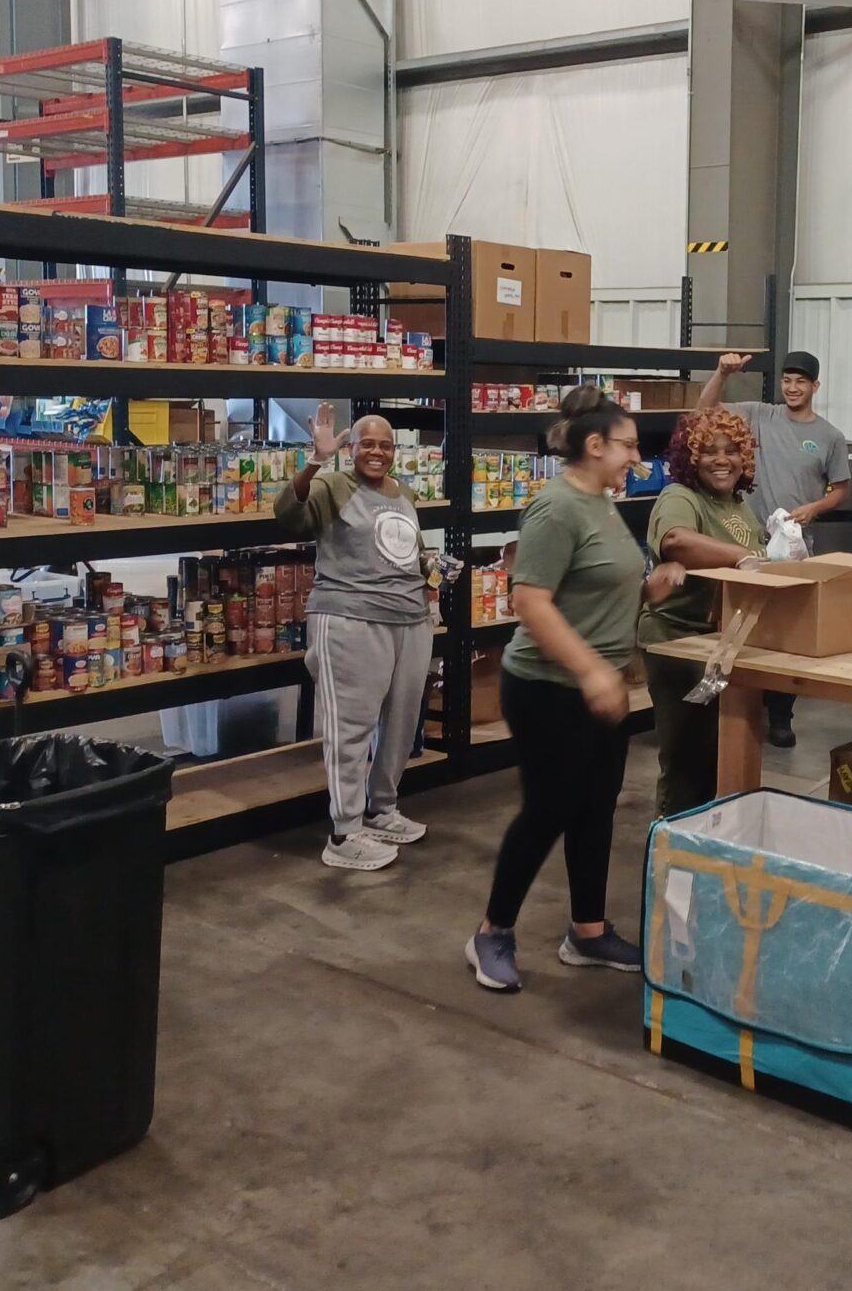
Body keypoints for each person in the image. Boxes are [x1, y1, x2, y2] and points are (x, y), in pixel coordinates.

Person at [467, 387, 686, 994]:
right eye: (629, 446)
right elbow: (529, 601)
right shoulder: (556, 506)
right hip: (548, 687)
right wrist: (591, 671)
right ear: (595, 446)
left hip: (599, 685)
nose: (636, 460)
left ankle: (587, 932)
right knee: (548, 809)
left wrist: (648, 592)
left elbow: (589, 588)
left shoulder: (601, 503)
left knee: (594, 808)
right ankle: (491, 931)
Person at [275, 405, 434, 872]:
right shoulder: (334, 484)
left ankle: (381, 809)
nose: (377, 453)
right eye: (368, 444)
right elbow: (289, 515)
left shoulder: (402, 492)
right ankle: (344, 833)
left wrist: (431, 569)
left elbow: (409, 551)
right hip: (349, 618)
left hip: (409, 619)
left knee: (402, 726)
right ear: (351, 448)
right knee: (351, 729)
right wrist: (315, 461)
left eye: (386, 445)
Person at [698, 349, 851, 747]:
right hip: (744, 543)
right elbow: (704, 411)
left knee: (787, 636)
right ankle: (736, 710)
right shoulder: (759, 415)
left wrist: (815, 508)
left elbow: (841, 488)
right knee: (738, 628)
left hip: (794, 550)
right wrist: (722, 374)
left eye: (801, 381)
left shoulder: (829, 436)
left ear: (815, 387)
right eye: (787, 380)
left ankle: (781, 715)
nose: (793, 388)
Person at [639, 408, 763, 815]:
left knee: (718, 755)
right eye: (709, 451)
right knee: (685, 761)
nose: (722, 460)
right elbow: (675, 540)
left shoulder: (739, 507)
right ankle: (673, 852)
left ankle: (708, 846)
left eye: (732, 451)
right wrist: (743, 557)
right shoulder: (681, 496)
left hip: (722, 646)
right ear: (692, 457)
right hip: (679, 643)